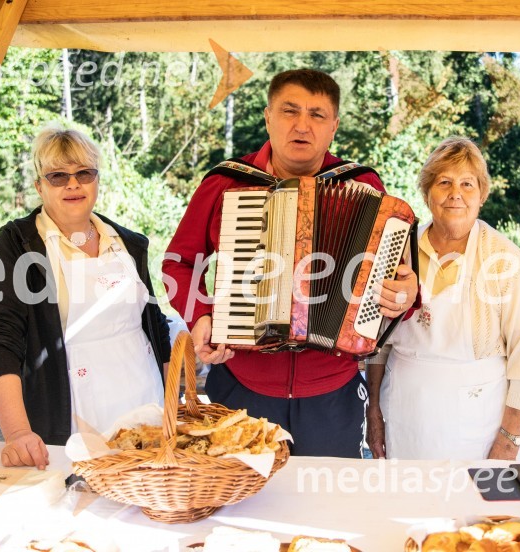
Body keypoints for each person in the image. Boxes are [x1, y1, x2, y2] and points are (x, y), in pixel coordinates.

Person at [162, 69, 418, 458]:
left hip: (332, 390)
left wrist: (405, 296)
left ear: (334, 126)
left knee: (326, 506)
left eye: (317, 115)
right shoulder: (226, 183)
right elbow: (178, 263)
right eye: (289, 111)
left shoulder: (363, 185)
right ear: (268, 117)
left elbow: (401, 283)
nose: (302, 125)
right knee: (240, 507)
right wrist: (200, 316)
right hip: (241, 385)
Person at [0, 125, 171, 469]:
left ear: (97, 180)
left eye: (84, 173)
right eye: (57, 176)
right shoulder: (17, 245)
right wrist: (18, 432)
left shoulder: (128, 243)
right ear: (39, 186)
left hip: (146, 405)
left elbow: (153, 325)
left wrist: (175, 406)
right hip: (73, 417)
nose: (73, 184)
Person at [366, 137, 520, 461]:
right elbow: (378, 343)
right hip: (406, 418)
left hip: (482, 424)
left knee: (476, 511)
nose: (455, 194)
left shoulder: (505, 257)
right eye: (443, 182)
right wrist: (373, 410)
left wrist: (509, 440)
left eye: (467, 184)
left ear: (482, 195)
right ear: (426, 193)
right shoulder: (397, 251)